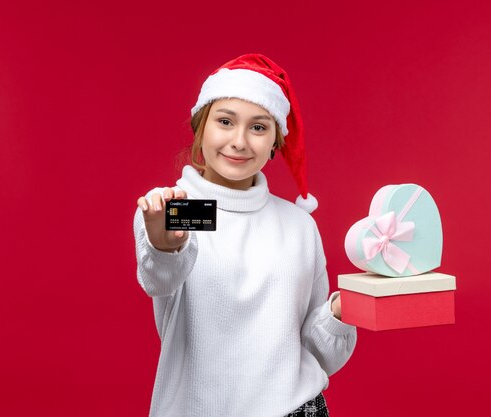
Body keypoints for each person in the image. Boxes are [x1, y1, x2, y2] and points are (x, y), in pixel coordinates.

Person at [133, 53, 356, 417]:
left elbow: (316, 354)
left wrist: (339, 313)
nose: (239, 141)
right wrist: (165, 245)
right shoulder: (173, 208)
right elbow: (159, 280)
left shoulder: (297, 224)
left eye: (258, 127)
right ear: (200, 127)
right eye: (224, 121)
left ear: (275, 143)